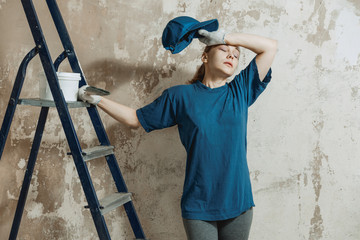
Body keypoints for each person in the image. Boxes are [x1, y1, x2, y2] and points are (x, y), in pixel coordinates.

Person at [78, 28, 277, 240]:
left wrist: (224, 38)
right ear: (204, 56)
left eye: (236, 55)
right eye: (223, 50)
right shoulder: (180, 97)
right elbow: (135, 119)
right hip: (199, 206)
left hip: (239, 203)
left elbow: (270, 47)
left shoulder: (240, 90)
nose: (231, 55)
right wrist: (97, 100)